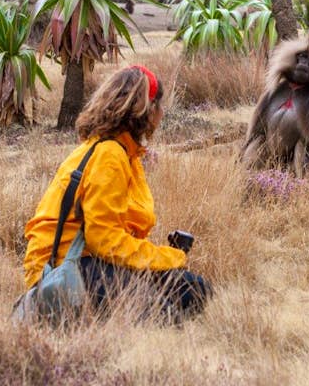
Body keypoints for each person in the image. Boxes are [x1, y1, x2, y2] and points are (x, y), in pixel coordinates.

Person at [23, 65, 211, 322]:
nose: (163, 113)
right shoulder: (110, 154)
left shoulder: (125, 152)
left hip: (95, 261)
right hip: (67, 268)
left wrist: (160, 261)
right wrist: (163, 257)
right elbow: (103, 239)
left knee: (197, 290)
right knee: (163, 315)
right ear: (145, 110)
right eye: (159, 105)